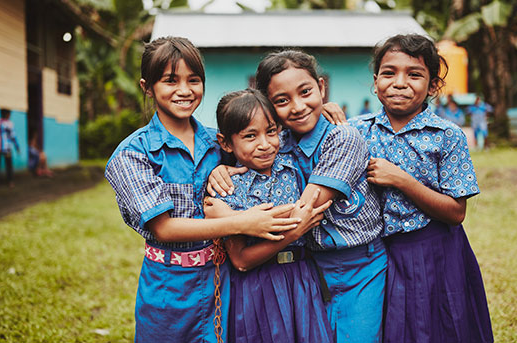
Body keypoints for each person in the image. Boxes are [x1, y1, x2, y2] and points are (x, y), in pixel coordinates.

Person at [104, 36, 301, 343]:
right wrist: (243, 222)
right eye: (170, 80)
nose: (184, 90)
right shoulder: (132, 154)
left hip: (225, 282)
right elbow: (165, 228)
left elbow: (280, 140)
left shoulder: (220, 142)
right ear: (147, 87)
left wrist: (326, 110)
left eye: (193, 80)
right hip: (168, 290)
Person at [210, 50, 387, 343]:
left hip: (358, 267)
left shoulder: (343, 138)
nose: (298, 106)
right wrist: (220, 174)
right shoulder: (279, 143)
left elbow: (304, 211)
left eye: (306, 92)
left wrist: (227, 217)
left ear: (322, 87)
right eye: (282, 100)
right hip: (309, 269)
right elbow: (233, 136)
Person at [349, 34, 493, 343]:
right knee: (388, 328)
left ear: (432, 86)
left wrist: (402, 180)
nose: (400, 82)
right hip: (376, 255)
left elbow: (456, 212)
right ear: (375, 82)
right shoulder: (356, 131)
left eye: (414, 74)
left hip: (437, 251)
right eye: (389, 73)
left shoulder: (447, 136)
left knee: (442, 325)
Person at [205, 88, 334, 343]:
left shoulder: (293, 163)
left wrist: (330, 110)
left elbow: (311, 125)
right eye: (250, 136)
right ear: (226, 143)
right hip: (257, 287)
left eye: (271, 131)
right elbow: (240, 260)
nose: (265, 144)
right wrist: (292, 234)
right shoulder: (229, 189)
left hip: (301, 279)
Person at [0, 109, 20, 188]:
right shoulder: (10, 124)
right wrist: (17, 147)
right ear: (7, 114)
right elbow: (13, 136)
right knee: (9, 165)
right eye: (9, 114)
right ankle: (10, 182)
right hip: (7, 148)